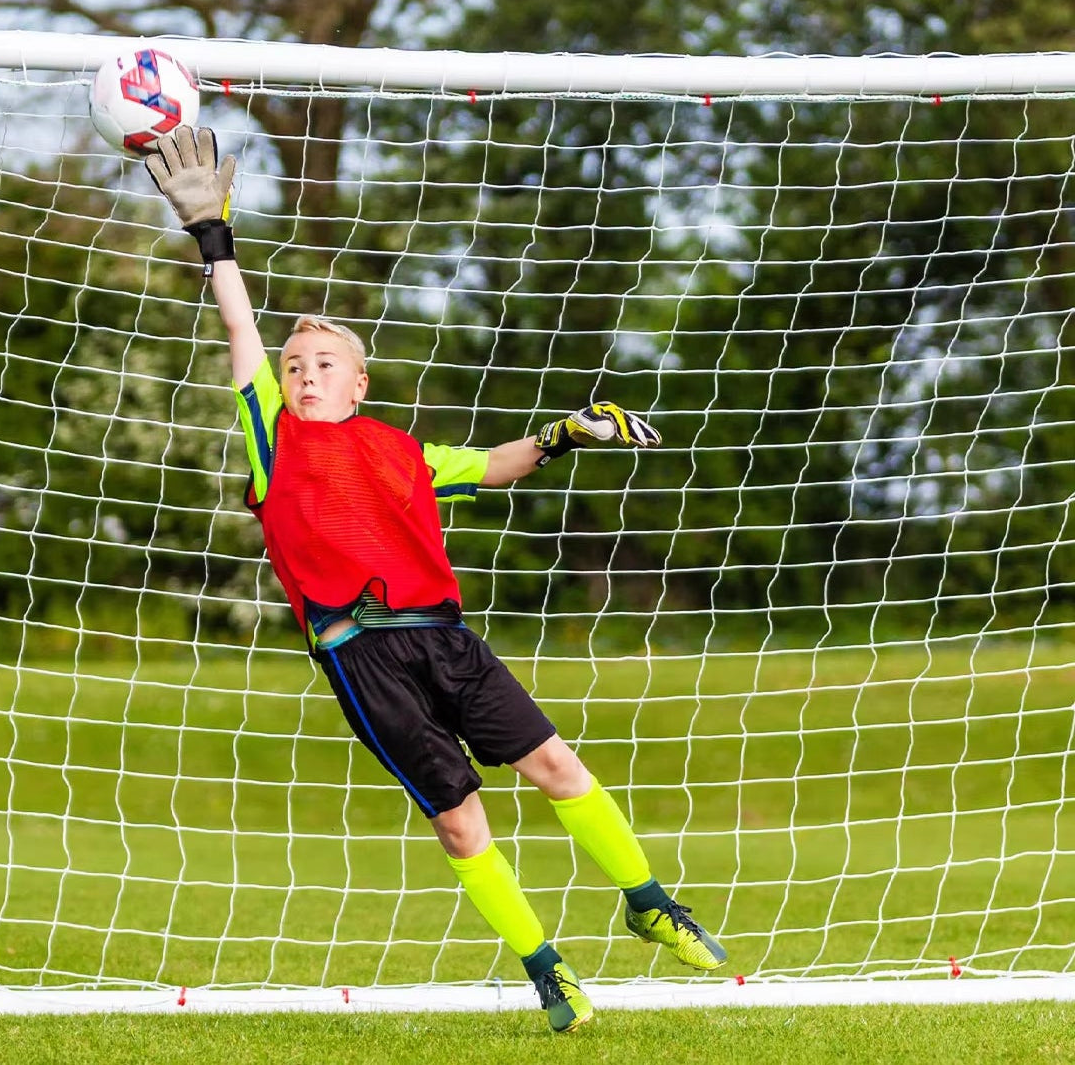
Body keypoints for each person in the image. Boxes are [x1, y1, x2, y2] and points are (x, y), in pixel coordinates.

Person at [145, 125, 725, 1033]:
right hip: (361, 655)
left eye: (323, 361)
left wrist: (565, 435)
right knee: (461, 824)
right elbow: (238, 326)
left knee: (558, 766)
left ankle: (649, 900)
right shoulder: (273, 439)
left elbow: (496, 464)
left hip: (448, 640)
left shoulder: (403, 452)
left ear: (360, 382)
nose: (303, 371)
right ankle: (546, 967)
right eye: (293, 365)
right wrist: (212, 238)